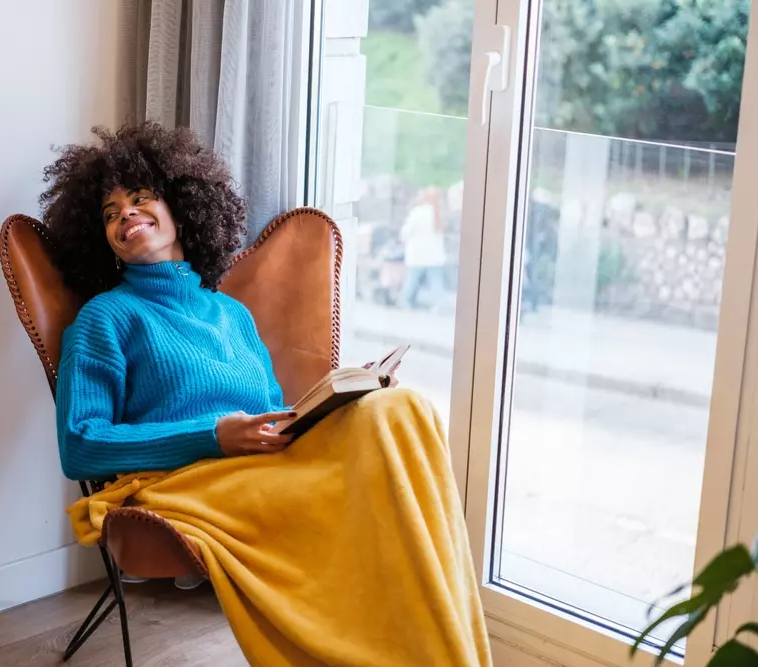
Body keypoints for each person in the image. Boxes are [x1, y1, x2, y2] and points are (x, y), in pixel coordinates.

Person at [42, 122, 490, 666]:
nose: (126, 215)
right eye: (110, 213)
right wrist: (212, 436)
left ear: (183, 207)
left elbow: (276, 419)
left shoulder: (233, 314)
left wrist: (349, 397)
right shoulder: (105, 318)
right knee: (374, 500)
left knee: (402, 408)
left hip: (259, 467)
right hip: (181, 484)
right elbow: (81, 446)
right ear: (101, 239)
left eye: (139, 199)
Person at [398, 186, 448, 311]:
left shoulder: (418, 213)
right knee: (436, 282)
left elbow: (405, 232)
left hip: (417, 254)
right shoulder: (438, 214)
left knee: (411, 281)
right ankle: (439, 305)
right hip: (434, 256)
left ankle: (405, 302)